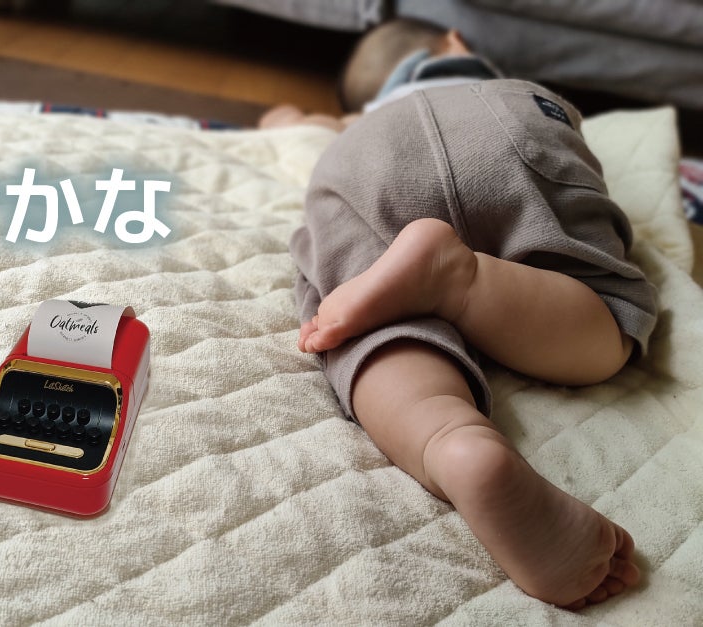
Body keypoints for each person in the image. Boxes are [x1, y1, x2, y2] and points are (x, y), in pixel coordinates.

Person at [265, 19, 657, 609]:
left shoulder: (356, 121)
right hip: (504, 122)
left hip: (365, 159)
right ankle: (461, 279)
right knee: (603, 315)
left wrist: (286, 119)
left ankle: (451, 439)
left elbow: (296, 124)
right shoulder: (486, 78)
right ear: (455, 43)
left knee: (366, 325)